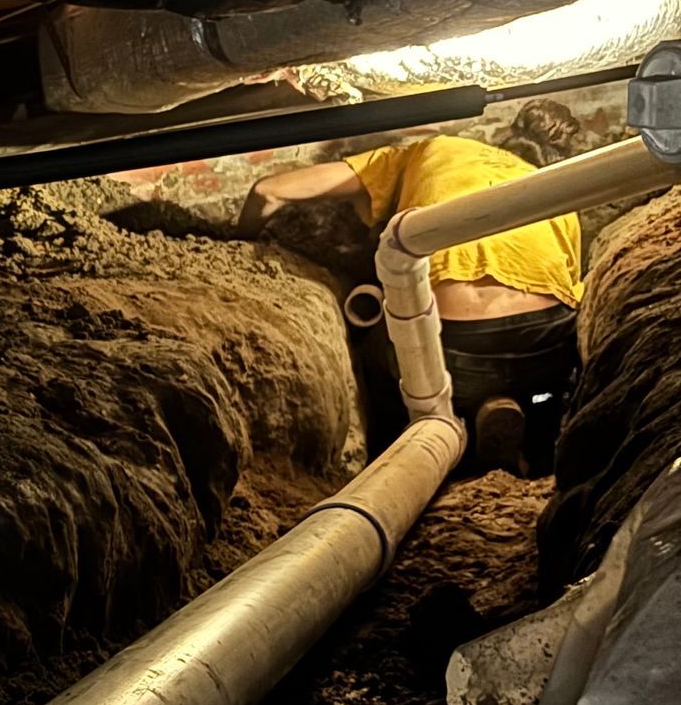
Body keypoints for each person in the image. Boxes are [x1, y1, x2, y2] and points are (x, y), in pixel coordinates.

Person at [240, 131, 583, 470]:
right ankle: (528, 438)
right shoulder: (553, 187)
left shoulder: (425, 152)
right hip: (547, 352)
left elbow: (268, 190)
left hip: (452, 350)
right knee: (544, 392)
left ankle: (404, 458)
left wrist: (236, 244)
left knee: (374, 349)